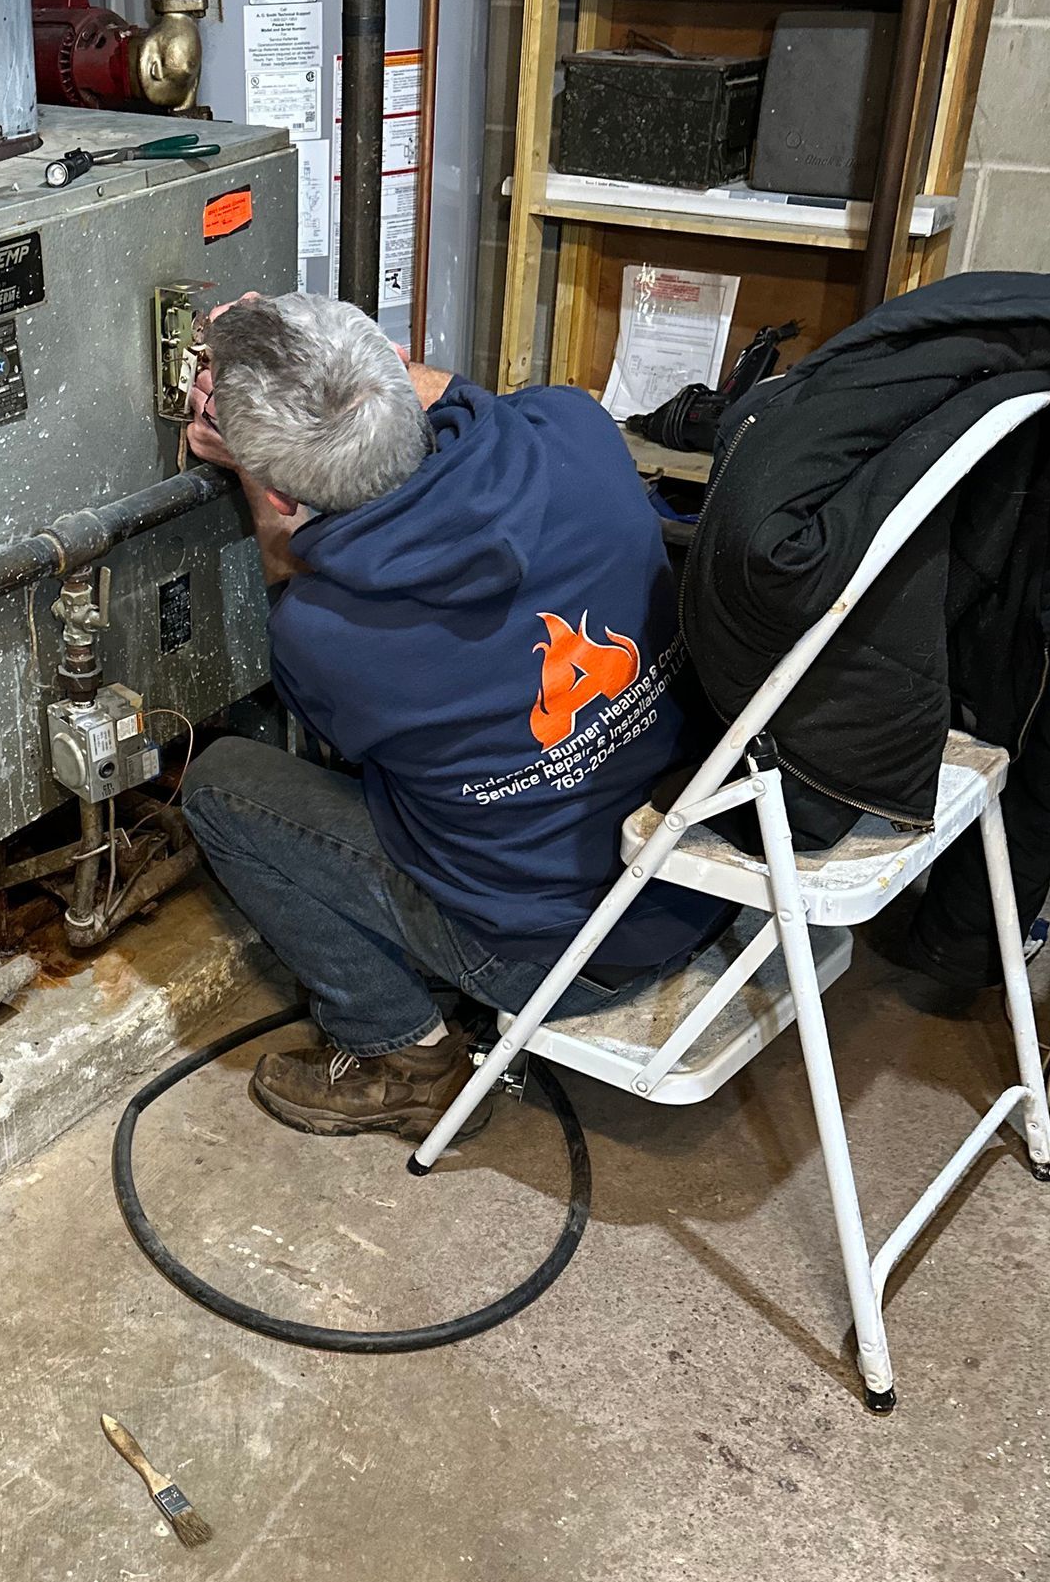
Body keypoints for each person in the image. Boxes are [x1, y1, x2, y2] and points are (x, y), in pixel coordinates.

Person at [178, 291, 726, 1142]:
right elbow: (455, 396)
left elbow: (293, 569)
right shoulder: (577, 430)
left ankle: (403, 1055)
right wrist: (323, 362)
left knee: (220, 787)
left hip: (552, 961)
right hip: (704, 874)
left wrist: (255, 466)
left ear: (282, 498)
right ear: (398, 368)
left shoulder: (325, 636)